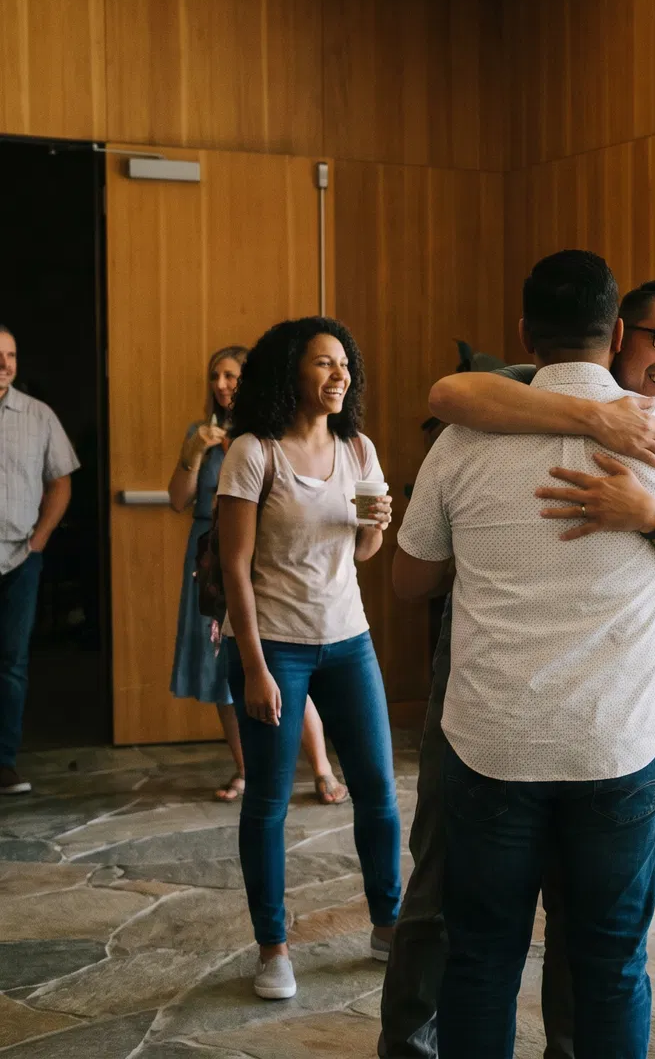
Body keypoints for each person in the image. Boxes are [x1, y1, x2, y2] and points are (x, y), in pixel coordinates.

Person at [393, 253, 655, 1058]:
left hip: (492, 742)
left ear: (525, 334)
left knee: (483, 959)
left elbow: (408, 580)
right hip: (617, 747)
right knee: (609, 964)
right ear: (622, 334)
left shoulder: (465, 436)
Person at [217, 317, 402, 1003]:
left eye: (345, 364)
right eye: (324, 363)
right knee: (267, 803)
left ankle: (388, 926)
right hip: (278, 648)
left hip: (349, 639)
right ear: (290, 371)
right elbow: (235, 567)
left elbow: (361, 555)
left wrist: (375, 530)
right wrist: (256, 666)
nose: (339, 374)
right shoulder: (253, 452)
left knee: (378, 792)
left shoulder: (358, 450)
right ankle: (274, 948)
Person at [170, 345, 344, 805]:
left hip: (262, 560)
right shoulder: (199, 432)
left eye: (231, 376)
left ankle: (321, 767)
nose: (222, 385)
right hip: (210, 558)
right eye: (215, 377)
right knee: (223, 669)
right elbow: (177, 499)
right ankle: (245, 768)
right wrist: (193, 452)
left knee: (283, 662)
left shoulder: (266, 436)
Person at [0, 325, 79, 796]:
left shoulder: (38, 416)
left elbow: (60, 481)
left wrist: (40, 539)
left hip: (19, 559)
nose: (4, 363)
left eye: (10, 354)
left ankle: (3, 761)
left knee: (11, 662)